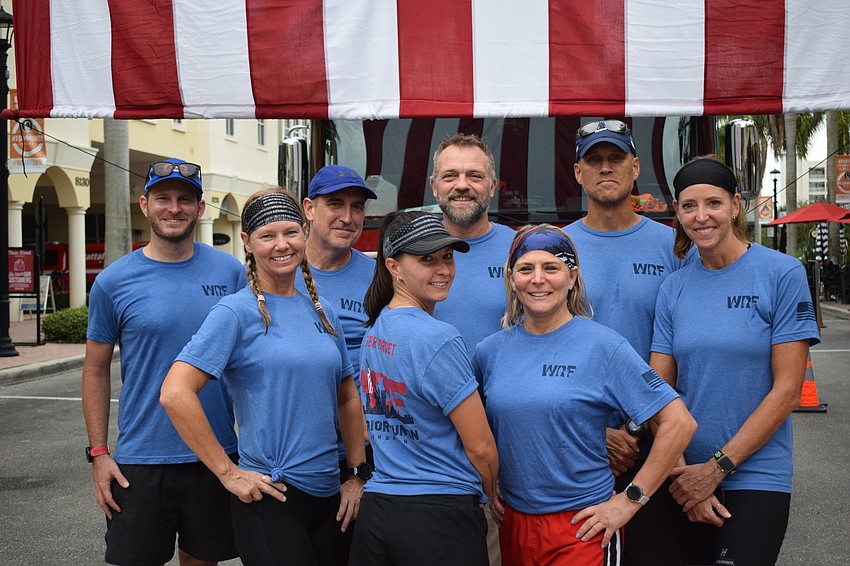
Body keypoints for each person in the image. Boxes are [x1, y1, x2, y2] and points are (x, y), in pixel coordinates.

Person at [160, 188, 367, 566]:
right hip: (272, 496)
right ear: (247, 243)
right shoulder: (235, 313)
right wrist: (228, 472)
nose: (281, 245)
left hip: (330, 496)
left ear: (305, 232)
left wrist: (356, 473)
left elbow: (347, 396)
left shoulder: (322, 311)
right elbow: (175, 393)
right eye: (267, 236)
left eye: (290, 232)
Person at [473, 224, 695, 565]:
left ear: (572, 276)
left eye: (551, 268)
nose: (538, 280)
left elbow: (678, 423)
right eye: (525, 269)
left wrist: (630, 499)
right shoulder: (489, 352)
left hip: (583, 527)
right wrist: (491, 481)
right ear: (510, 277)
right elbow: (484, 430)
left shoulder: (603, 346)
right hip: (514, 523)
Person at [651, 156, 821, 566]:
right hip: (684, 477)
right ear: (677, 212)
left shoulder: (781, 273)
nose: (701, 216)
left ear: (735, 205)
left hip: (756, 475)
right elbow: (658, 389)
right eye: (689, 206)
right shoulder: (673, 287)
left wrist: (716, 469)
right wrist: (680, 473)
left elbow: (787, 390)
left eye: (713, 203)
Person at [82, 158, 247, 566]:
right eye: (163, 198)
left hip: (214, 452)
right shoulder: (113, 282)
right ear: (145, 204)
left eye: (185, 199)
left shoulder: (230, 272)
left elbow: (249, 362)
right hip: (141, 459)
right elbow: (95, 370)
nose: (174, 208)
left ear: (200, 208)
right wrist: (100, 454)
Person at [564, 119, 693, 565]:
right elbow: (540, 345)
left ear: (635, 167)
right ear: (577, 173)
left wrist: (638, 428)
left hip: (656, 438)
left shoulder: (674, 247)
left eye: (615, 158)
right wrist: (596, 431)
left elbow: (687, 345)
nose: (605, 168)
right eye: (593, 160)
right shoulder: (556, 249)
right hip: (579, 440)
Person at [349, 211, 499, 566]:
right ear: (394, 267)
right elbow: (480, 448)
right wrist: (492, 494)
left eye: (447, 257)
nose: (443, 269)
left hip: (380, 510)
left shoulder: (375, 330)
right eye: (427, 260)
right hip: (438, 515)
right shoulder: (439, 338)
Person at [430, 133, 515, 565]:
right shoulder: (409, 251)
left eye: (474, 175)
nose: (462, 184)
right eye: (451, 175)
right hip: (430, 454)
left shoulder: (525, 250)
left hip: (508, 449)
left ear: (493, 186)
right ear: (434, 186)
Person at [298, 164, 378, 565]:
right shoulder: (275, 271)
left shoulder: (380, 277)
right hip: (289, 454)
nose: (348, 217)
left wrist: (359, 470)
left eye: (357, 206)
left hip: (359, 454)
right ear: (309, 208)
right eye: (335, 204)